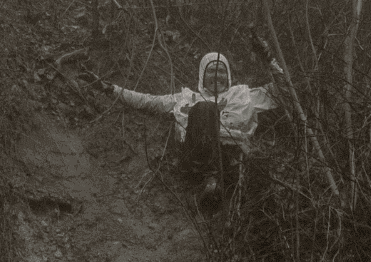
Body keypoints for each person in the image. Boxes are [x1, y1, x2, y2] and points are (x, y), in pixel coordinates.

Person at [111, 51, 280, 211]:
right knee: (205, 108)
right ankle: (209, 181)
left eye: (221, 70)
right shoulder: (187, 98)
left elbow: (283, 91)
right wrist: (111, 90)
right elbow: (148, 101)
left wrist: (270, 60)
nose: (216, 75)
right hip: (196, 158)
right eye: (211, 70)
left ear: (227, 74)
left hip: (233, 157)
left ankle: (226, 188)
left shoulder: (243, 95)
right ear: (202, 75)